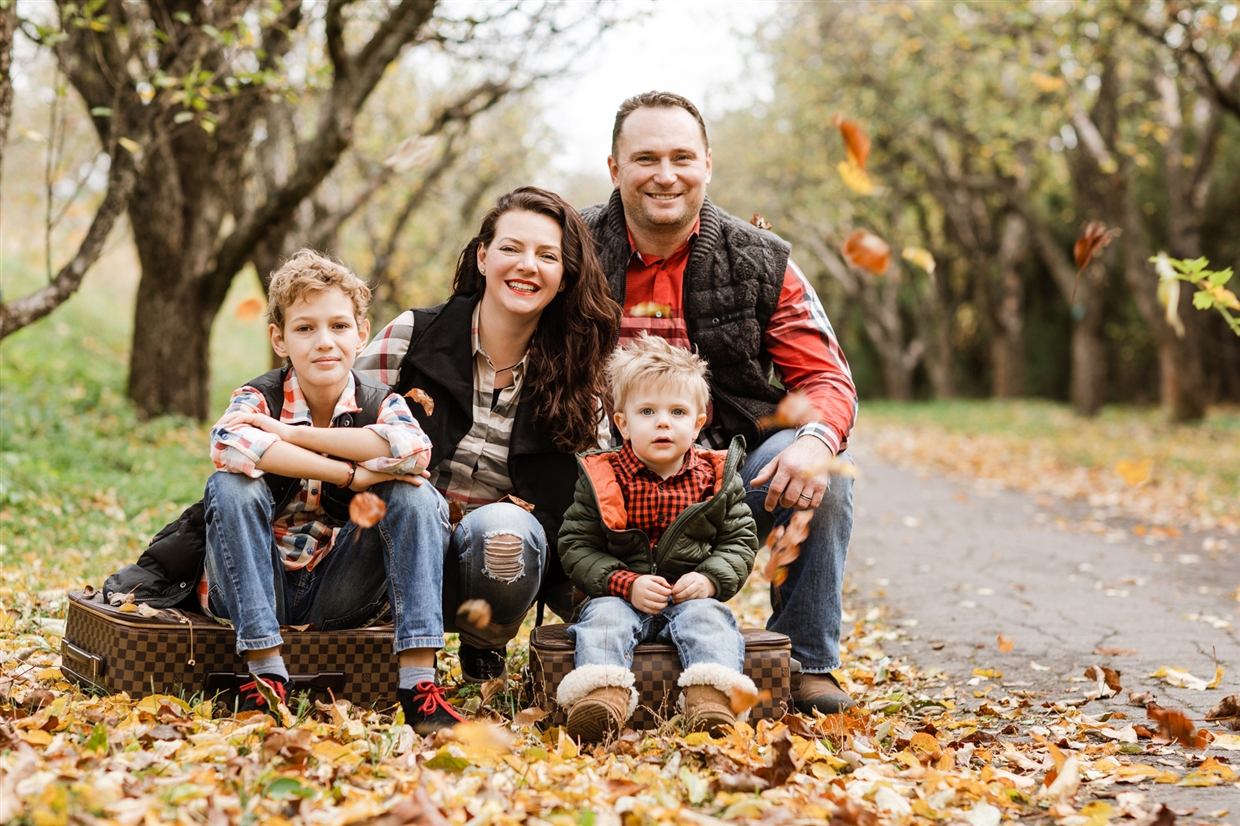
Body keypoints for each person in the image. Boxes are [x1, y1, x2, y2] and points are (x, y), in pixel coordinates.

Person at [581, 92, 859, 714]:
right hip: (599, 483)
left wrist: (815, 443)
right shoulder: (571, 250)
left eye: (682, 156)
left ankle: (811, 665)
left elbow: (827, 379)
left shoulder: (762, 259)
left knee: (823, 466)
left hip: (727, 481)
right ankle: (508, 646)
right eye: (645, 157)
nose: (665, 174)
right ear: (614, 168)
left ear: (708, 163)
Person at [356, 186, 620, 684]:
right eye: (510, 248)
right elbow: (334, 420)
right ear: (482, 256)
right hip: (394, 545)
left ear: (564, 278)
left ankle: (485, 646)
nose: (527, 266)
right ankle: (386, 630)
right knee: (412, 504)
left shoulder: (580, 380)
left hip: (502, 566)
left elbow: (599, 502)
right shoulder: (413, 335)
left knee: (506, 527)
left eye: (547, 256)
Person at [203, 250, 461, 733]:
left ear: (362, 333)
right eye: (305, 329)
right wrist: (349, 473)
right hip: (255, 584)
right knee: (230, 485)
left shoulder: (378, 401)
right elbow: (229, 442)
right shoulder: (260, 397)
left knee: (417, 497)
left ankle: (418, 685)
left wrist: (292, 436)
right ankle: (264, 676)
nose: (324, 342)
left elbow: (412, 451)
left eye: (339, 326)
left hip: (340, 590)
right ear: (279, 339)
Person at [555, 334, 758, 741]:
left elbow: (740, 540)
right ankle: (601, 700)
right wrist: (623, 583)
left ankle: (711, 702)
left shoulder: (715, 479)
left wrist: (710, 579)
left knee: (711, 620)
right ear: (623, 423)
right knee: (604, 621)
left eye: (678, 411)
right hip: (620, 596)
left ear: (698, 422)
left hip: (688, 597)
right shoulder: (603, 476)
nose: (663, 422)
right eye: (647, 411)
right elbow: (576, 544)